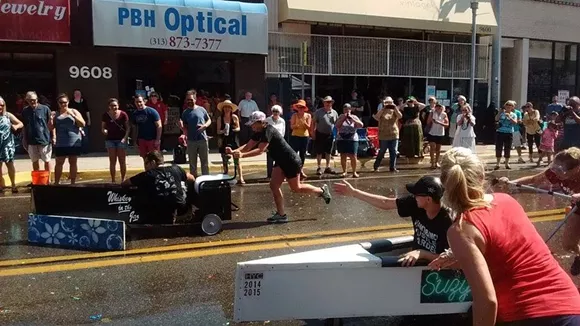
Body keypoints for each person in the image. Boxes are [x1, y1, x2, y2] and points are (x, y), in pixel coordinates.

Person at [430, 147, 580, 326]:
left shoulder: (461, 229)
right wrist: (458, 255)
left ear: (445, 184)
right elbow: (506, 252)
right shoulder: (506, 201)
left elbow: (487, 301)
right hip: (568, 303)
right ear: (482, 174)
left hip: (526, 313)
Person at [227, 111, 332, 223]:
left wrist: (242, 155)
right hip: (280, 161)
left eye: (253, 124)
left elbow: (260, 150)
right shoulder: (259, 131)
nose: (252, 126)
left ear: (261, 122)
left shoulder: (269, 130)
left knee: (296, 188)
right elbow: (248, 146)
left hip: (291, 161)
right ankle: (281, 215)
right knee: (274, 185)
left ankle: (321, 191)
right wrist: (234, 151)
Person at [497, 147, 580, 275]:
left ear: (576, 169)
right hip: (577, 207)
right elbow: (534, 180)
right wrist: (511, 183)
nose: (555, 173)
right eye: (554, 168)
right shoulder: (555, 173)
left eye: (560, 171)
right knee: (568, 244)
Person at [334, 176, 452, 266]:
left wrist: (422, 253)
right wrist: (354, 192)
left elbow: (453, 259)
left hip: (434, 273)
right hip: (413, 262)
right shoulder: (415, 204)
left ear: (428, 199)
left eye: (417, 195)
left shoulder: (450, 222)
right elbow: (386, 203)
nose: (414, 196)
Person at [122, 151, 195, 224]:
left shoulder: (147, 175)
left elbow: (125, 183)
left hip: (158, 208)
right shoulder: (176, 169)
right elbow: (192, 178)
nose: (145, 166)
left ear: (153, 162)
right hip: (180, 206)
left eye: (146, 163)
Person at [53, 94, 85, 185]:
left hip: (73, 140)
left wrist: (73, 115)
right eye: (61, 102)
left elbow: (83, 124)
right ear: (58, 103)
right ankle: (56, 182)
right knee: (59, 162)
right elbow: (51, 127)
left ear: (68, 102)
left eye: (65, 102)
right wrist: (51, 119)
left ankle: (73, 183)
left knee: (73, 162)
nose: (63, 104)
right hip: (61, 141)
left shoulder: (74, 111)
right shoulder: (56, 113)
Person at [21, 91, 54, 178]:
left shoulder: (45, 109)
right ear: (27, 100)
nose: (32, 102)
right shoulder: (25, 111)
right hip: (31, 140)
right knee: (34, 161)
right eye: (30, 100)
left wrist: (54, 136)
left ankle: (48, 179)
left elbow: (51, 124)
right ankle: (38, 179)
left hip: (44, 139)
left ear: (37, 99)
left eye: (34, 100)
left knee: (47, 160)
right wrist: (24, 139)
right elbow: (24, 126)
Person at [180, 90, 211, 177]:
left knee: (204, 163)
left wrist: (204, 126)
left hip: (202, 140)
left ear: (195, 99)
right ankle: (193, 182)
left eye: (191, 99)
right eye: (187, 100)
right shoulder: (185, 113)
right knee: (192, 164)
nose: (189, 101)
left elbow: (209, 120)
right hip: (191, 141)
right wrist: (182, 128)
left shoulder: (202, 109)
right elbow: (184, 127)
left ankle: (206, 180)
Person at [101, 98, 130, 183]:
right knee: (112, 161)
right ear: (109, 107)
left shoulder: (123, 114)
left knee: (122, 160)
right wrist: (104, 131)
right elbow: (103, 127)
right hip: (110, 140)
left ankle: (123, 179)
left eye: (115, 105)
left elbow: (128, 127)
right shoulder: (105, 115)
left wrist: (125, 138)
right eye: (112, 106)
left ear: (118, 105)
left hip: (121, 139)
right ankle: (113, 180)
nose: (114, 107)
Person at [216, 99, 244, 184]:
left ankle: (241, 177)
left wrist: (234, 129)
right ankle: (226, 175)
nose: (227, 109)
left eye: (228, 107)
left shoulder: (234, 117)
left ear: (231, 109)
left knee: (237, 158)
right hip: (224, 139)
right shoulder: (220, 118)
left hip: (233, 139)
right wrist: (223, 130)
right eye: (225, 107)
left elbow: (239, 128)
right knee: (224, 159)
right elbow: (218, 131)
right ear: (223, 109)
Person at [0, 96, 23, 193]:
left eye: (2, 105)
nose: (0, 107)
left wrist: (15, 126)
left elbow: (21, 123)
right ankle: (1, 186)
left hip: (7, 145)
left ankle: (13, 184)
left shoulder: (8, 115)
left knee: (10, 165)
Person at [132, 95, 162, 166]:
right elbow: (134, 128)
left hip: (152, 139)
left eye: (140, 102)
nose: (139, 104)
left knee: (155, 159)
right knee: (145, 159)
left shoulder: (152, 112)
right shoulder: (135, 114)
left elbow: (159, 126)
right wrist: (135, 141)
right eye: (137, 102)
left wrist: (157, 139)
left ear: (144, 101)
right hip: (141, 139)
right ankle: (147, 174)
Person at [336, 103, 364, 178]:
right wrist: (343, 118)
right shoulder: (340, 116)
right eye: (345, 109)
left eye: (348, 109)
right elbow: (337, 125)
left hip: (352, 138)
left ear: (350, 109)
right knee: (343, 155)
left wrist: (352, 119)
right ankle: (344, 171)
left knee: (353, 156)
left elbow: (361, 125)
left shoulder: (354, 117)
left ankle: (354, 172)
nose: (346, 110)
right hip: (342, 138)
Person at [312, 96, 338, 176]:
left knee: (328, 151)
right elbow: (313, 123)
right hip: (320, 133)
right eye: (327, 102)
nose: (328, 103)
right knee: (319, 152)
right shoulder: (318, 112)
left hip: (330, 134)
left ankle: (328, 167)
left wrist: (336, 134)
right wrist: (313, 133)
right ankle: (319, 167)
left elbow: (336, 124)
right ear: (324, 103)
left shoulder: (334, 112)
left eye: (330, 102)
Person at [290, 100, 311, 179]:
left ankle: (301, 170)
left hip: (304, 137)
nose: (300, 109)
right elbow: (291, 127)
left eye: (302, 107)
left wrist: (304, 122)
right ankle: (293, 169)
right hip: (295, 136)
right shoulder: (294, 115)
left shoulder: (308, 115)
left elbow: (309, 127)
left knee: (303, 154)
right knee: (294, 154)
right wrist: (297, 125)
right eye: (299, 107)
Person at [494, 100, 518, 170]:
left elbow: (515, 123)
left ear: (512, 107)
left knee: (507, 148)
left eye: (510, 105)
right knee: (499, 147)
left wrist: (509, 117)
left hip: (509, 132)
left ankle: (507, 163)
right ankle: (497, 163)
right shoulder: (501, 113)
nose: (508, 106)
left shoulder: (514, 114)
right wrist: (500, 112)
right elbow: (496, 119)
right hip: (500, 132)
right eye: (507, 105)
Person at [426, 102, 449, 169]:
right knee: (432, 147)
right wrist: (431, 114)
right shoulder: (432, 113)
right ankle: (432, 162)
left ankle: (436, 162)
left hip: (440, 133)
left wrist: (439, 122)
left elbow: (447, 124)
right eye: (437, 107)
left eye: (440, 107)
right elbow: (428, 122)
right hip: (432, 132)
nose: (438, 108)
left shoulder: (444, 114)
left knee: (438, 149)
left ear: (442, 108)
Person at [266, 105, 286, 179]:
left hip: (279, 142)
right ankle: (269, 175)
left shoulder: (282, 121)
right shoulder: (267, 120)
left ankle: (278, 174)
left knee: (279, 159)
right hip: (270, 142)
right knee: (270, 159)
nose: (275, 113)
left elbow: (283, 132)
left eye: (277, 111)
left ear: (280, 112)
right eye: (274, 111)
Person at [68, 89, 91, 153]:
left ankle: (85, 151)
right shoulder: (71, 102)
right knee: (75, 136)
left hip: (83, 121)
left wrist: (89, 120)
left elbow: (87, 111)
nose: (77, 95)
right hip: (74, 122)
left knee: (85, 136)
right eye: (76, 93)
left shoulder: (84, 102)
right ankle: (77, 151)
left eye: (79, 94)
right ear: (74, 95)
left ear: (81, 95)